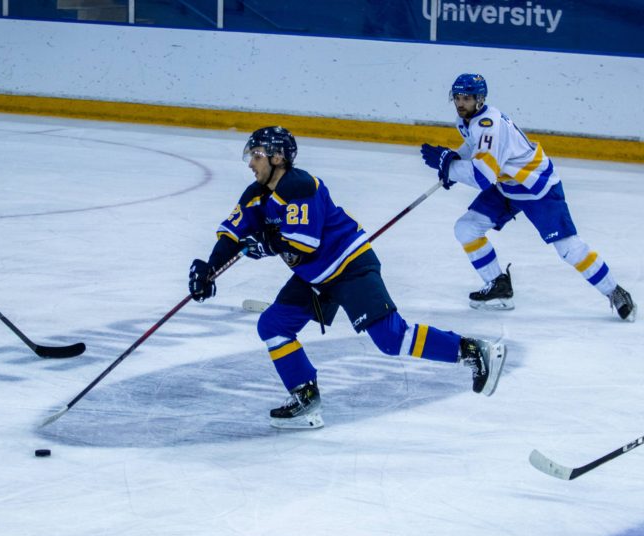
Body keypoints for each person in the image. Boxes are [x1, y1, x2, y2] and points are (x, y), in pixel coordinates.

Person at [188, 126, 506, 430]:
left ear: (277, 157)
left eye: (256, 154)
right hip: (315, 278)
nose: (250, 163)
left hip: (349, 266)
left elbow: (303, 244)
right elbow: (232, 233)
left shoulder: (299, 185)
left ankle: (472, 350)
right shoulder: (256, 195)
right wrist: (209, 269)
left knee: (392, 339)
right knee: (272, 325)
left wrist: (266, 244)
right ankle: (305, 397)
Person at [421, 73, 636, 321]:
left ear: (479, 100)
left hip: (536, 186)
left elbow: (482, 177)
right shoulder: (468, 120)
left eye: (466, 98)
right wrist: (453, 158)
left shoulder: (488, 125)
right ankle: (498, 287)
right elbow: (474, 146)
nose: (460, 103)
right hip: (509, 186)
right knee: (467, 228)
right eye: (457, 97)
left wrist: (448, 167)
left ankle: (615, 291)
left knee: (568, 248)